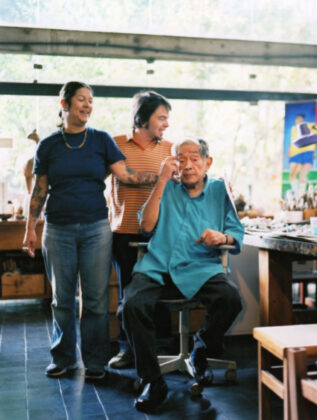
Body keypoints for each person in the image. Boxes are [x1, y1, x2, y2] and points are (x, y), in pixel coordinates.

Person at [22, 81, 160, 380]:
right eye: (81, 100)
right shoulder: (48, 145)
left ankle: (96, 361)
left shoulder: (101, 140)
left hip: (97, 229)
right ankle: (63, 358)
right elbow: (39, 191)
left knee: (96, 299)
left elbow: (126, 175)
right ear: (65, 105)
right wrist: (30, 229)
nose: (87, 105)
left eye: (90, 100)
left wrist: (161, 177)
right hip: (57, 229)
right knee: (62, 298)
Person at [122, 137, 244, 412]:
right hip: (157, 267)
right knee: (131, 305)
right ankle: (152, 380)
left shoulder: (219, 190)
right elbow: (146, 226)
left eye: (194, 158)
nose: (187, 165)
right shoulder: (166, 187)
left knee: (231, 298)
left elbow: (235, 234)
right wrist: (162, 181)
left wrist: (220, 235)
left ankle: (201, 350)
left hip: (199, 268)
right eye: (181, 159)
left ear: (207, 162)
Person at [108, 91, 173, 369]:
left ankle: (162, 350)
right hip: (124, 232)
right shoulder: (116, 144)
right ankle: (129, 350)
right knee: (129, 295)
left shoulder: (170, 148)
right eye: (161, 117)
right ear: (143, 117)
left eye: (167, 118)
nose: (166, 123)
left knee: (158, 293)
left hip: (159, 233)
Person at [288, 114, 317, 194]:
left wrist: (314, 151)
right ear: (296, 120)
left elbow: (315, 140)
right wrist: (289, 151)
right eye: (298, 119)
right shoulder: (294, 130)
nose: (299, 121)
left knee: (302, 175)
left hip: (306, 153)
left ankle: (301, 194)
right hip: (296, 153)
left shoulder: (307, 129)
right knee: (293, 175)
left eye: (301, 119)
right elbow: (292, 141)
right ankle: (296, 193)